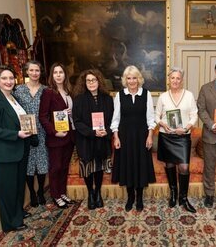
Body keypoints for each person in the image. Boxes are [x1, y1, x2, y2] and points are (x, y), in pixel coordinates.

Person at [0, 65, 33, 232]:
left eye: (11, 78)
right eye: (4, 78)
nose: (8, 81)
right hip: (4, 154)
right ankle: (10, 223)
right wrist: (16, 134)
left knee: (18, 186)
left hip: (18, 151)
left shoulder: (13, 98)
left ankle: (17, 213)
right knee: (7, 190)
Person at [111, 65, 156, 212]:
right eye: (129, 78)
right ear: (125, 80)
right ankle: (130, 197)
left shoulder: (146, 94)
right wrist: (116, 137)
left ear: (139, 79)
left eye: (134, 78)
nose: (132, 81)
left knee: (140, 166)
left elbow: (151, 118)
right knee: (128, 166)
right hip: (125, 137)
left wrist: (150, 136)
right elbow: (115, 119)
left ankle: (140, 198)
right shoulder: (120, 95)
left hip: (141, 136)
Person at [155, 67, 197, 213]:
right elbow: (156, 115)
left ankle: (183, 198)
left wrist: (186, 128)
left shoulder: (189, 95)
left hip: (183, 136)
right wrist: (162, 123)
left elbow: (194, 115)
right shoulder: (163, 97)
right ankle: (173, 193)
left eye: (178, 78)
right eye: (173, 78)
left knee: (184, 166)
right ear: (169, 80)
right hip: (166, 135)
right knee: (170, 165)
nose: (175, 80)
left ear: (182, 80)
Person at [72, 69, 113, 210]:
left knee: (99, 168)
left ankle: (98, 193)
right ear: (84, 82)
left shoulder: (107, 98)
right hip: (86, 139)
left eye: (93, 80)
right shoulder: (78, 99)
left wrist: (105, 131)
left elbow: (113, 119)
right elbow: (76, 121)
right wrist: (92, 132)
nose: (91, 83)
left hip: (102, 138)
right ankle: (90, 193)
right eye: (88, 80)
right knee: (88, 169)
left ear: (99, 81)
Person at [39, 62, 75, 209]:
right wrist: (54, 132)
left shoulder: (68, 91)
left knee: (65, 167)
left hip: (69, 135)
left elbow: (69, 111)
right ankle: (55, 195)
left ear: (65, 74)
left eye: (61, 72)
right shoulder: (48, 92)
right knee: (56, 167)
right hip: (56, 137)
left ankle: (62, 192)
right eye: (55, 72)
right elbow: (42, 116)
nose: (58, 75)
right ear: (52, 75)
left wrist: (72, 112)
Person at [14, 60, 48, 207]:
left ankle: (40, 191)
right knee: (28, 164)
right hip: (26, 132)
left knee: (42, 163)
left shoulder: (46, 90)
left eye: (37, 70)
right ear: (27, 72)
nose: (35, 73)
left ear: (40, 72)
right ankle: (32, 193)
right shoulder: (18, 90)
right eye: (32, 70)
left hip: (42, 131)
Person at [197, 59, 216, 209]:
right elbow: (201, 109)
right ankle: (209, 195)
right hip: (210, 133)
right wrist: (213, 125)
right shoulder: (205, 88)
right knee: (209, 166)